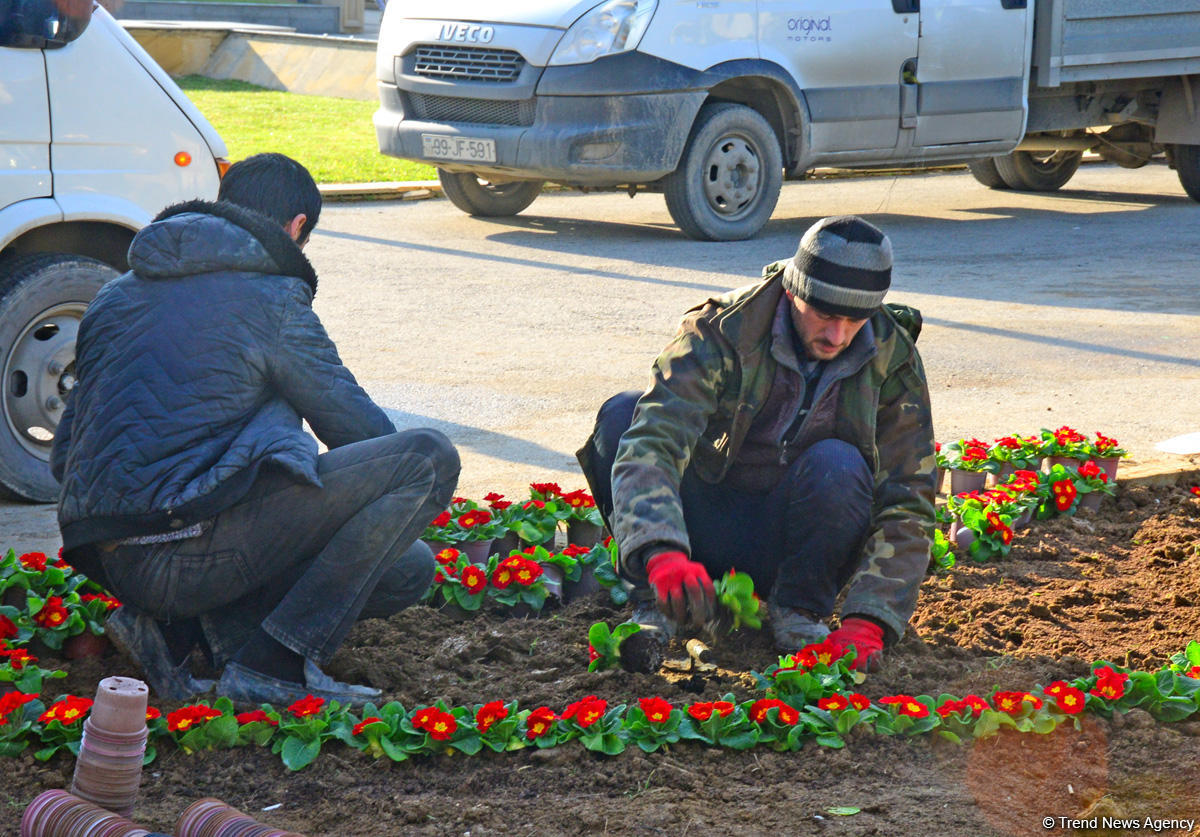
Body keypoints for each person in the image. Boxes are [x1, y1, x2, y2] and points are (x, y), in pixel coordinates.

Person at [50, 153, 459, 705]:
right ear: (296, 229)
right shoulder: (269, 297)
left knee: (406, 568)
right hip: (187, 554)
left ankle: (180, 631)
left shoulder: (113, 297)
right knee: (426, 459)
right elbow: (355, 428)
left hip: (112, 559)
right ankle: (275, 665)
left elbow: (64, 458)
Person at [578, 215, 936, 671]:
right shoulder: (723, 329)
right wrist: (661, 551)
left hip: (792, 542)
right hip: (700, 524)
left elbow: (910, 496)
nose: (837, 335)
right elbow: (655, 441)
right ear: (792, 290)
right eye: (824, 314)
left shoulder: (894, 358)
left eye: (854, 320)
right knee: (622, 417)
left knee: (840, 464)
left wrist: (870, 620)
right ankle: (658, 603)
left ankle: (799, 612)